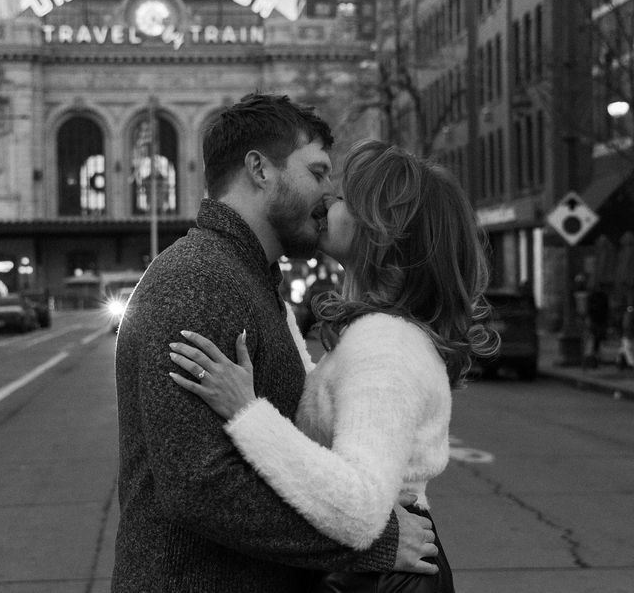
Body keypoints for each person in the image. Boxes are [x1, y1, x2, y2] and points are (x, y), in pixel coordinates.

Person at [113, 96, 438, 593]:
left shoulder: (247, 277)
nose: (327, 194)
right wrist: (371, 542)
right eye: (317, 172)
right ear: (260, 170)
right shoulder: (199, 283)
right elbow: (199, 486)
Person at [169, 139, 499, 593]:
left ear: (382, 230)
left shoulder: (385, 347)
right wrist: (272, 303)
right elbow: (329, 403)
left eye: (345, 198)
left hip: (379, 576)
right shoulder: (381, 335)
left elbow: (360, 510)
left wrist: (246, 411)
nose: (327, 201)